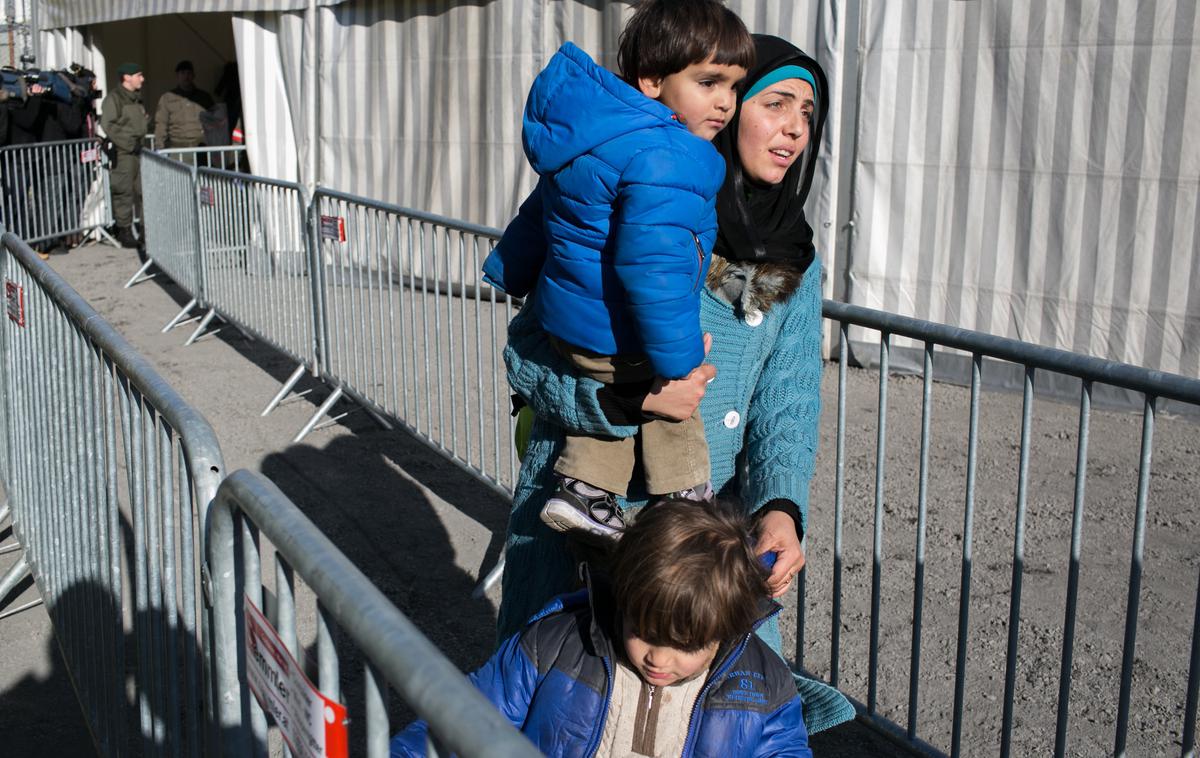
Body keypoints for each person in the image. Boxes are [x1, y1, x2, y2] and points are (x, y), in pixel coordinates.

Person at [498, 33, 856, 735]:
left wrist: (780, 506)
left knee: (714, 727)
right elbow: (528, 360)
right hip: (583, 526)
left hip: (702, 542)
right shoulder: (634, 204)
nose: (794, 127)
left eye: (808, 112)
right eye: (775, 103)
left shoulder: (796, 255)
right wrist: (625, 401)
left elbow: (787, 399)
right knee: (562, 721)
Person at [481, 0, 754, 543]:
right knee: (673, 401)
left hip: (571, 322)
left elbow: (539, 214)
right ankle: (681, 496)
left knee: (616, 379)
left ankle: (586, 491)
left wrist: (509, 268)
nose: (725, 102)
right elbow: (655, 269)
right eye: (708, 82)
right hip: (613, 327)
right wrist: (679, 362)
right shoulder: (673, 154)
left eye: (734, 86)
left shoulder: (593, 138)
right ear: (652, 81)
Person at [392, 499, 813, 757]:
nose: (659, 659)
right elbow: (462, 720)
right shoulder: (555, 647)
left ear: (727, 624)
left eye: (687, 645)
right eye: (644, 630)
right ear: (625, 594)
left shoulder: (763, 686)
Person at [101, 62, 148, 249]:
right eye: (138, 75)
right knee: (124, 192)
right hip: (124, 153)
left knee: (144, 192)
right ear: (127, 77)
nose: (142, 79)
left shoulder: (136, 99)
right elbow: (108, 124)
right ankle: (125, 230)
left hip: (138, 151)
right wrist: (129, 143)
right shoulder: (115, 99)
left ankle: (146, 230)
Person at [154, 60, 214, 149]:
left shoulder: (204, 97)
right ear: (177, 76)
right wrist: (159, 147)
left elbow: (215, 121)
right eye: (182, 73)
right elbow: (161, 124)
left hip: (201, 148)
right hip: (177, 149)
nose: (186, 76)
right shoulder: (167, 98)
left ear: (194, 76)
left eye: (189, 73)